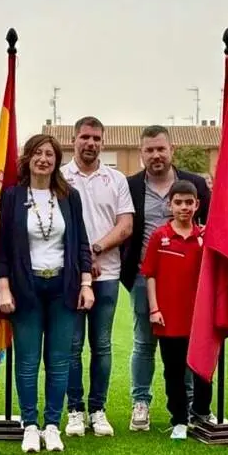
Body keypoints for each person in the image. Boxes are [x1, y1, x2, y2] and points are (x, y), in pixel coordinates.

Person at [0, 134, 94, 454]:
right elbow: (2, 247)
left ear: (56, 160)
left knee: (59, 361)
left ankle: (52, 425)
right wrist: (3, 287)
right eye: (37, 153)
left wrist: (86, 283)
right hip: (26, 288)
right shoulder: (12, 196)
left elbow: (81, 243)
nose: (43, 159)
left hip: (63, 288)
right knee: (26, 362)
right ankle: (30, 425)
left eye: (49, 154)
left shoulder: (69, 196)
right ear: (28, 158)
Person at [120, 125, 209, 432]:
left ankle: (188, 404)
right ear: (141, 153)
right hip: (145, 277)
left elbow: (212, 226)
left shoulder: (195, 184)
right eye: (149, 150)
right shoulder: (130, 186)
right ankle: (141, 402)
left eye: (161, 148)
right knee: (144, 342)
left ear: (172, 150)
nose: (156, 155)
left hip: (188, 281)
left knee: (185, 342)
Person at [60, 117, 134, 437]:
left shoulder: (116, 179)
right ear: (74, 140)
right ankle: (75, 410)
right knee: (72, 345)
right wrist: (80, 259)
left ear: (102, 142)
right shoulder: (60, 178)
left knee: (101, 345)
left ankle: (98, 409)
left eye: (96, 138)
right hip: (70, 275)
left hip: (108, 273)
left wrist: (95, 249)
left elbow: (125, 226)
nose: (90, 143)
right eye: (85, 137)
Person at [139, 180, 213, 440]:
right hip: (169, 317)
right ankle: (179, 419)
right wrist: (154, 309)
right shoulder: (160, 236)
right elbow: (150, 275)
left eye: (189, 202)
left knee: (203, 369)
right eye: (178, 202)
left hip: (200, 318)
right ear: (169, 205)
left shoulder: (205, 237)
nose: (184, 207)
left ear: (197, 205)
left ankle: (202, 412)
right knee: (174, 371)